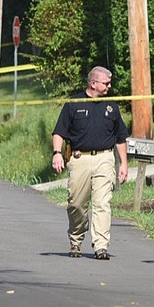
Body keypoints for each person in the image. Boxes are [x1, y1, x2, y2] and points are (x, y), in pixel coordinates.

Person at [52, 66, 129, 260]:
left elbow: (120, 138)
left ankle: (101, 245)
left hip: (105, 158)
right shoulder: (74, 103)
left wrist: (124, 164)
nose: (110, 86)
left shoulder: (112, 106)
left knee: (103, 203)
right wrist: (57, 153)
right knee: (76, 204)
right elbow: (59, 132)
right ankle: (76, 239)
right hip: (79, 159)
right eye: (106, 83)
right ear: (93, 84)